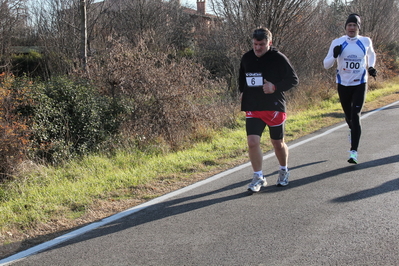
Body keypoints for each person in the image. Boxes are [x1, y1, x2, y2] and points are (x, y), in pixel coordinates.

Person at [239, 27, 299, 192]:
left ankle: (283, 170)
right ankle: (258, 176)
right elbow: (241, 78)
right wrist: (242, 92)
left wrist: (274, 87)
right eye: (255, 44)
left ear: (269, 43)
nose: (257, 48)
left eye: (262, 44)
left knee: (277, 143)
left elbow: (293, 80)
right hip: (253, 106)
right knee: (252, 142)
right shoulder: (247, 57)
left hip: (274, 106)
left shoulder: (278, 58)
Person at [323, 13, 377, 164]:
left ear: (358, 27)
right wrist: (334, 56)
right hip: (343, 84)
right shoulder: (338, 42)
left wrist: (371, 67)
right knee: (348, 117)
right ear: (345, 27)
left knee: (356, 115)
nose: (351, 28)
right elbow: (326, 65)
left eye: (354, 25)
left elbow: (372, 55)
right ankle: (351, 130)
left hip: (360, 83)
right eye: (349, 25)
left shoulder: (365, 41)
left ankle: (353, 152)